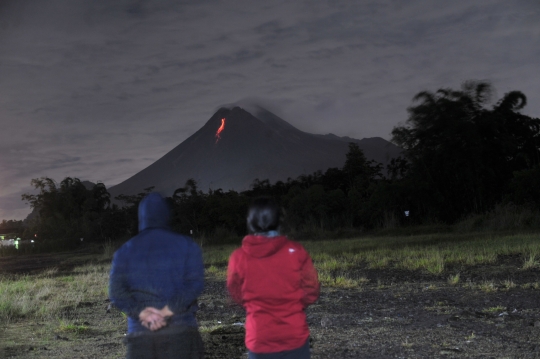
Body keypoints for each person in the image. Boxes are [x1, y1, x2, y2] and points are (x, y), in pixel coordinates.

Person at [109, 192, 204, 359]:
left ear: (141, 217)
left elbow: (116, 292)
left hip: (141, 335)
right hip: (181, 332)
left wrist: (144, 314)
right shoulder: (188, 245)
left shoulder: (124, 251)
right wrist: (167, 311)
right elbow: (195, 284)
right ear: (166, 215)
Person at [227, 198, 320, 359]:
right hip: (294, 335)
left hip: (260, 338)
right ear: (278, 221)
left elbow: (236, 292)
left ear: (251, 223)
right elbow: (312, 290)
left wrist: (255, 304)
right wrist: (293, 304)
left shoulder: (238, 257)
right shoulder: (296, 251)